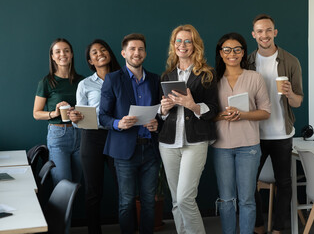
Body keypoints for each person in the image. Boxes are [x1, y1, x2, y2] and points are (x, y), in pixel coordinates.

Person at [159, 24, 218, 234]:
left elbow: (213, 109)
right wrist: (163, 109)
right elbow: (162, 115)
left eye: (188, 41)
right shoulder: (167, 76)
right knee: (176, 200)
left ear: (195, 45)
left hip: (195, 141)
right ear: (173, 45)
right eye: (179, 41)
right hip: (168, 142)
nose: (182, 45)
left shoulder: (207, 74)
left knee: (185, 198)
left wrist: (193, 106)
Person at [99, 33, 160, 234]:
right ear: (124, 53)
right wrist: (119, 123)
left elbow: (160, 112)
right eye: (132, 49)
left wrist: (156, 124)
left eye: (141, 49)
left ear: (145, 53)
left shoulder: (155, 79)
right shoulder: (113, 79)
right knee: (126, 202)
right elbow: (103, 116)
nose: (137, 52)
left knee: (149, 202)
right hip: (124, 151)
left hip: (150, 149)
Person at [248, 14, 304, 234]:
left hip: (282, 133)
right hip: (255, 134)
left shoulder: (290, 61)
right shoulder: (248, 61)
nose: (264, 35)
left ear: (275, 32)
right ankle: (259, 226)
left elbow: (298, 102)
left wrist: (290, 94)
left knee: (284, 184)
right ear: (254, 35)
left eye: (268, 30)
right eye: (260, 31)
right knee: (248, 183)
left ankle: (279, 229)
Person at [213, 33, 271, 234]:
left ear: (243, 52)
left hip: (249, 147)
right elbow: (206, 114)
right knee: (226, 199)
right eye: (227, 49)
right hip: (221, 147)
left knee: (247, 199)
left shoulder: (254, 78)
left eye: (237, 49)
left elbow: (265, 111)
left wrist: (243, 114)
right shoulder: (212, 79)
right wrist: (222, 115)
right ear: (221, 53)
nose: (232, 54)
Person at [68, 39, 120, 234]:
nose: (99, 54)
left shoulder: (123, 78)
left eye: (103, 49)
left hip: (118, 136)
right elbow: (78, 116)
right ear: (90, 61)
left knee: (125, 188)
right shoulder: (85, 84)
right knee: (93, 192)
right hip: (92, 137)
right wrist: (74, 117)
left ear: (110, 53)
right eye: (94, 53)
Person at [33, 38, 84, 186]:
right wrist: (53, 113)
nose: (63, 54)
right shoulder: (46, 82)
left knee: (76, 185)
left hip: (80, 135)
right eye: (58, 51)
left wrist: (79, 113)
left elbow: (89, 109)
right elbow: (36, 113)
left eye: (66, 50)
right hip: (58, 136)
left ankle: (72, 211)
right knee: (62, 185)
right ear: (52, 57)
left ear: (72, 54)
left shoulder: (82, 81)